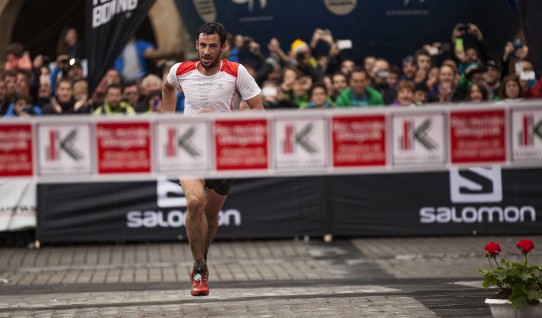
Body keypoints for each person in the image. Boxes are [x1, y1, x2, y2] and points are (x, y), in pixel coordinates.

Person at [162, 22, 264, 297]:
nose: (207, 51)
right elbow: (167, 87)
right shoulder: (180, 70)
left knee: (210, 215)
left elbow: (259, 111)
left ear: (223, 48)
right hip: (189, 148)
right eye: (202, 45)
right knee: (195, 202)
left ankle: (202, 258)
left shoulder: (236, 72)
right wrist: (168, 121)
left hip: (222, 151)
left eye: (213, 46)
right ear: (196, 45)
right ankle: (199, 269)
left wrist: (224, 118)